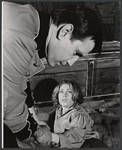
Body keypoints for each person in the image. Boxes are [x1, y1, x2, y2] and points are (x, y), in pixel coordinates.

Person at [2, 1, 102, 148]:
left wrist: (32, 117)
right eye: (76, 53)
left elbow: (20, 79)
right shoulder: (17, 35)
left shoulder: (31, 26)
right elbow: (9, 101)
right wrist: (34, 132)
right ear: (65, 31)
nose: (71, 63)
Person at [45, 79, 108, 148]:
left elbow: (74, 137)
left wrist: (49, 136)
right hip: (66, 144)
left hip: (84, 144)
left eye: (69, 92)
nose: (64, 95)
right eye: (61, 91)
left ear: (75, 95)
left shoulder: (79, 114)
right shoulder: (59, 109)